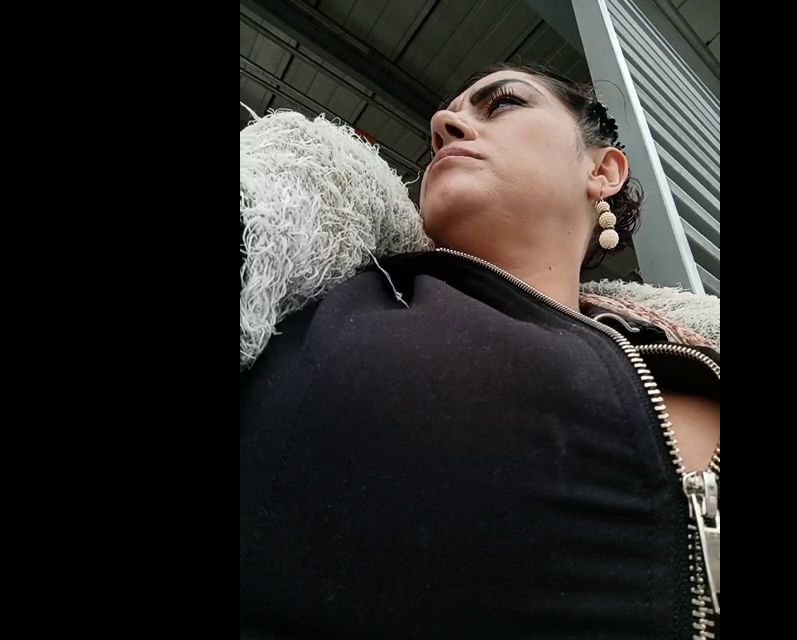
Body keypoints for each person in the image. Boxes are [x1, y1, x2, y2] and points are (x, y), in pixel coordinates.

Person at [240, 63, 719, 639]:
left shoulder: (686, 346)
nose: (443, 124)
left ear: (602, 170)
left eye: (503, 104)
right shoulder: (331, 277)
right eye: (442, 126)